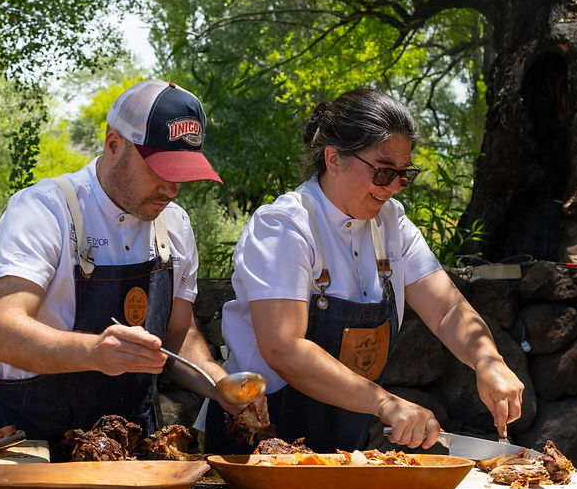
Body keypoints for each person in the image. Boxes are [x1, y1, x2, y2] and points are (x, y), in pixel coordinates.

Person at [205, 88, 524, 454]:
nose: (392, 187)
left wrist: (488, 361)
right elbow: (284, 347)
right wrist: (384, 403)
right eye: (383, 172)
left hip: (342, 453)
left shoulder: (392, 225)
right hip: (259, 447)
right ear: (333, 159)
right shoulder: (284, 226)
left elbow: (448, 309)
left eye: (403, 175)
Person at [0, 79, 263, 461]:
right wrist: (95, 351)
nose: (172, 189)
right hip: (31, 448)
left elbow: (178, 334)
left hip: (130, 456)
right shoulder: (44, 211)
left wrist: (218, 383)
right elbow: (4, 333)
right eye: (161, 170)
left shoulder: (174, 226)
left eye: (182, 173)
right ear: (114, 145)